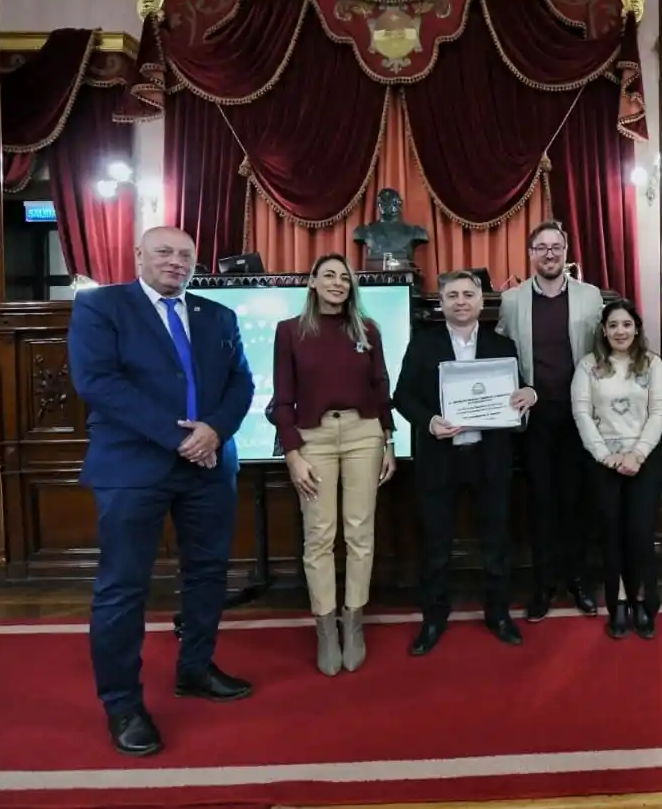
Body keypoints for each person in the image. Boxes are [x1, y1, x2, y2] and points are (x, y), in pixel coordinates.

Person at [67, 226, 256, 757]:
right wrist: (182, 438)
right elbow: (98, 383)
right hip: (133, 466)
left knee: (208, 573)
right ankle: (123, 704)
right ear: (138, 256)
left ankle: (195, 669)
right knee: (123, 588)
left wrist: (214, 431)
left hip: (210, 465)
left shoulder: (218, 316)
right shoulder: (102, 308)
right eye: (164, 252)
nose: (176, 262)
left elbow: (241, 383)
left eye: (185, 255)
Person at [393, 270, 539, 655]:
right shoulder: (423, 344)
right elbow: (402, 396)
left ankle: (498, 614)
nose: (461, 301)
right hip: (440, 458)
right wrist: (428, 421)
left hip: (489, 459)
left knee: (496, 540)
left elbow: (519, 396)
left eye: (468, 294)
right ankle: (434, 618)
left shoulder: (502, 346)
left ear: (480, 301)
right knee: (436, 543)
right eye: (453, 295)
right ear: (441, 303)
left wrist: (527, 395)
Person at [271, 253, 398, 677]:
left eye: (344, 277)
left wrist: (390, 442)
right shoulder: (290, 331)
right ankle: (326, 627)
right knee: (319, 535)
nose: (337, 283)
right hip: (314, 438)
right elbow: (282, 398)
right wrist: (292, 452)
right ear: (311, 282)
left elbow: (381, 387)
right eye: (328, 275)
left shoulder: (368, 330)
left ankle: (354, 621)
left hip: (365, 435)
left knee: (361, 532)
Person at [496, 220, 606, 622]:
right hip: (535, 419)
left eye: (555, 247)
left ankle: (577, 581)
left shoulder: (591, 297)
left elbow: (604, 351)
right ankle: (544, 585)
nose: (549, 254)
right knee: (542, 505)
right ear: (531, 254)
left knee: (577, 503)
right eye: (541, 247)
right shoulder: (511, 301)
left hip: (581, 416)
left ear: (565, 252)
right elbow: (502, 357)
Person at [571, 299, 662, 639]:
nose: (620, 331)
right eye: (613, 325)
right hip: (603, 463)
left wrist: (637, 454)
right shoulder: (588, 366)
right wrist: (604, 455)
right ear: (603, 330)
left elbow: (660, 411)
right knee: (611, 535)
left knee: (640, 533)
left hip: (644, 459)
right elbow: (582, 413)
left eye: (626, 324)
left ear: (636, 328)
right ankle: (620, 604)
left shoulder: (652, 364)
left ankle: (644, 602)